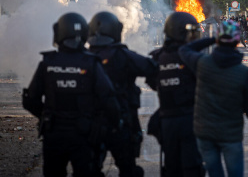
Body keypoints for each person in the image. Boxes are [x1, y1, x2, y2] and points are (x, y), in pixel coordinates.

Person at [22, 12, 121, 177]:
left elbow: (30, 100)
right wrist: (108, 125)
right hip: (83, 133)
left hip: (54, 133)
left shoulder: (47, 63)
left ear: (58, 33)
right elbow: (108, 99)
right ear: (84, 34)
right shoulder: (91, 63)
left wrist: (47, 115)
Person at [179, 20, 248, 177]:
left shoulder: (202, 63)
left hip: (205, 133)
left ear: (217, 38)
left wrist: (212, 39)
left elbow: (184, 50)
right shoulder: (244, 73)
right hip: (231, 135)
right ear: (237, 41)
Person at [87, 11, 158, 177]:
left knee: (90, 169)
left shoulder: (84, 57)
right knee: (129, 170)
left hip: (92, 123)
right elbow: (152, 68)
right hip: (122, 122)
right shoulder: (123, 56)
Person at [147, 12, 207, 177]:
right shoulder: (193, 57)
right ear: (182, 33)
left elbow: (152, 83)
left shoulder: (157, 57)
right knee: (192, 167)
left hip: (167, 121)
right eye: (192, 32)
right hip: (190, 120)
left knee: (171, 167)